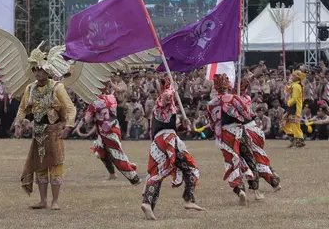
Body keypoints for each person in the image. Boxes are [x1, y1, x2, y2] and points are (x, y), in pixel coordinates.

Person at [14, 64, 76, 210]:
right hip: (39, 132)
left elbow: (70, 108)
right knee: (40, 166)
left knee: (55, 164)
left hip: (54, 131)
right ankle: (43, 200)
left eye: (40, 69)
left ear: (48, 71)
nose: (37, 72)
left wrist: (68, 128)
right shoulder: (30, 88)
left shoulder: (57, 87)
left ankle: (55, 201)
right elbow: (22, 109)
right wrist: (18, 124)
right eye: (35, 70)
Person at [141, 78, 204, 221]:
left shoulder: (162, 108)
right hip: (168, 140)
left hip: (158, 142)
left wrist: (183, 124)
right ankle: (189, 200)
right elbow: (168, 96)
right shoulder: (163, 100)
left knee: (157, 173)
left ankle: (147, 203)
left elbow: (169, 125)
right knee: (192, 168)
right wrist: (173, 88)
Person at [207, 74, 264, 206]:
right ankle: (256, 192)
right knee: (249, 158)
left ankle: (239, 190)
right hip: (239, 132)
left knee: (231, 163)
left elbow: (211, 123)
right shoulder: (235, 98)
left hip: (225, 135)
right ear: (227, 86)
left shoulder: (211, 104)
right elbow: (247, 115)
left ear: (216, 88)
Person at [84, 89, 141, 184]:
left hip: (108, 133)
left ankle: (134, 178)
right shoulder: (111, 97)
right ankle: (112, 174)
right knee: (100, 150)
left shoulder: (94, 103)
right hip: (113, 129)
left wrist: (88, 112)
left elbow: (87, 120)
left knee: (117, 156)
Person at [237, 78, 282, 192]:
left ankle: (273, 182)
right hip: (256, 130)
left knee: (252, 158)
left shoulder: (235, 100)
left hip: (247, 131)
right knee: (258, 155)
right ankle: (272, 172)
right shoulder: (247, 98)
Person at [282, 70, 306, 148]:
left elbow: (295, 98)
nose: (291, 76)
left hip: (294, 107)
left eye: (293, 76)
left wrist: (288, 102)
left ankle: (299, 141)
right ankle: (293, 139)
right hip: (291, 107)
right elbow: (289, 90)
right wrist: (286, 84)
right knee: (284, 122)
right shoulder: (294, 85)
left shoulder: (296, 86)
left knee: (295, 124)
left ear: (297, 78)